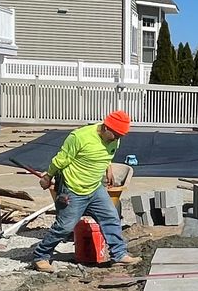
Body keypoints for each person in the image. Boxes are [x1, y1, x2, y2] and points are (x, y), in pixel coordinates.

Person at [30, 110, 131, 272]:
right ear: (105, 127)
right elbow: (61, 159)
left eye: (121, 135)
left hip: (95, 187)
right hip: (73, 188)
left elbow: (106, 156)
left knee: (111, 217)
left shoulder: (114, 140)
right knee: (65, 227)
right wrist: (48, 176)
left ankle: (119, 255)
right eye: (117, 134)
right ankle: (40, 256)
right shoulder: (79, 137)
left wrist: (108, 169)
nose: (119, 139)